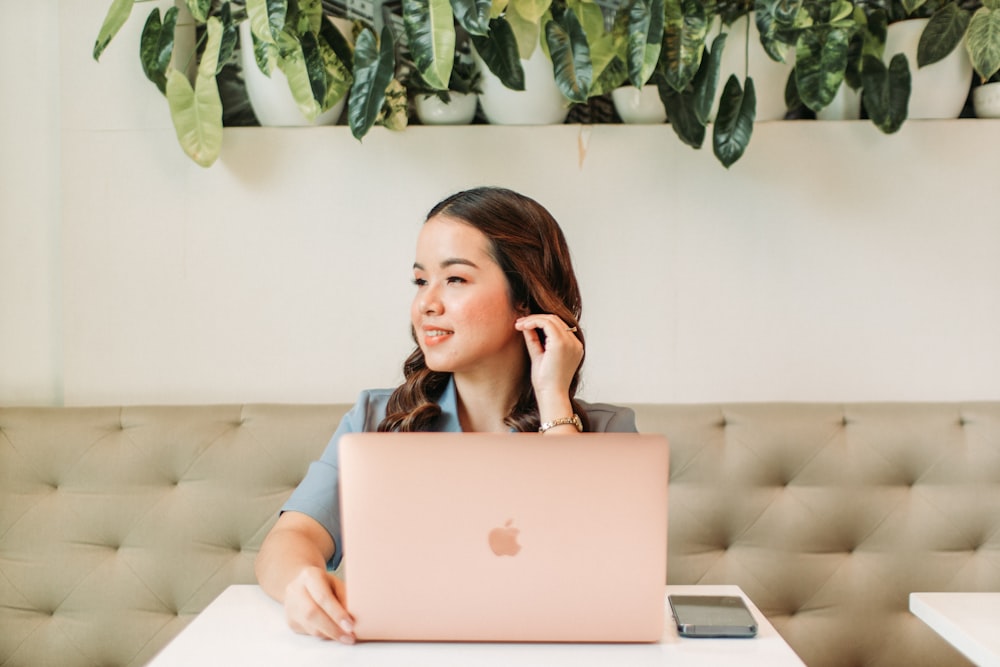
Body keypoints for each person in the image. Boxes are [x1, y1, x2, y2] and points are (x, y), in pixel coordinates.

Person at [254, 186, 637, 644]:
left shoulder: (608, 432)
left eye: (454, 279)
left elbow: (608, 570)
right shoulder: (377, 418)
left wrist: (553, 400)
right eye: (420, 281)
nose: (426, 304)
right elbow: (291, 537)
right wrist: (301, 584)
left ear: (525, 295)